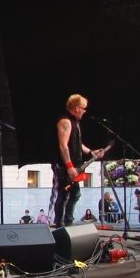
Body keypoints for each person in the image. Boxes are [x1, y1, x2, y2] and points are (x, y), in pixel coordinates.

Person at [49, 94, 106, 227]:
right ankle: (59, 223)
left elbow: (77, 143)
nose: (85, 111)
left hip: (75, 165)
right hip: (64, 166)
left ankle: (67, 222)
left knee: (75, 194)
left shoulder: (75, 122)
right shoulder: (65, 121)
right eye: (83, 108)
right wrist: (69, 166)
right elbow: (63, 145)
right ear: (76, 108)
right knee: (64, 194)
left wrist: (91, 152)